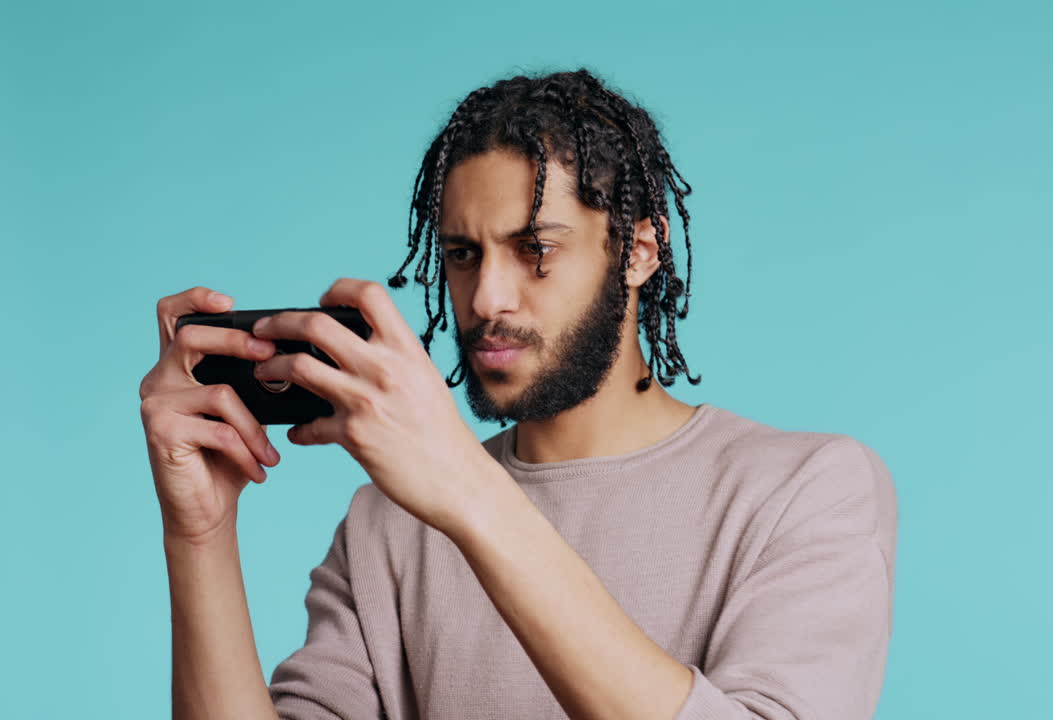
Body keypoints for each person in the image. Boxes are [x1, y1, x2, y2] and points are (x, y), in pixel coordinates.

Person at [139, 67, 897, 720]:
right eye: (464, 255)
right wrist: (199, 537)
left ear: (637, 251)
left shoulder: (809, 489)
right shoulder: (388, 525)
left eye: (535, 249)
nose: (487, 297)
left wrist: (466, 489)